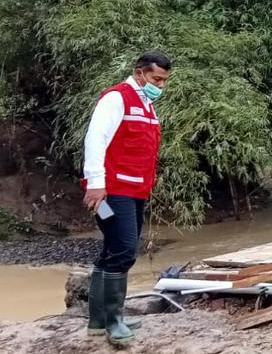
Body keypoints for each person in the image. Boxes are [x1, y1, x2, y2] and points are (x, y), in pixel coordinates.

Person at [81, 50, 171, 345]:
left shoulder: (147, 105)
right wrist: (95, 183)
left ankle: (99, 320)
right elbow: (95, 138)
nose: (160, 84)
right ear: (140, 72)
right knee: (123, 252)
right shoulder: (116, 98)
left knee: (112, 250)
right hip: (113, 188)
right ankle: (114, 322)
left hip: (135, 189)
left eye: (164, 80)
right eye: (156, 78)